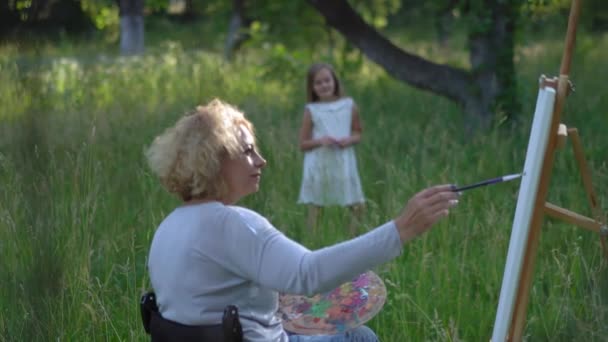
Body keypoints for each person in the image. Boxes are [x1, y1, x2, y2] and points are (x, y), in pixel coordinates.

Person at [144, 99, 459, 342]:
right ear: (216, 159)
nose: (261, 160)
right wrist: (401, 229)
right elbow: (308, 274)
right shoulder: (233, 223)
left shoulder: (169, 226)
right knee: (359, 337)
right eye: (248, 151)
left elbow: (210, 297)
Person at [297, 63, 365, 235]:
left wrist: (348, 140)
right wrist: (321, 141)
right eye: (318, 83)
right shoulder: (311, 110)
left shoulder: (349, 105)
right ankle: (312, 244)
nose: (324, 85)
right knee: (317, 207)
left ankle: (352, 240)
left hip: (343, 162)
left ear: (334, 81)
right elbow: (303, 144)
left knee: (356, 205)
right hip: (320, 163)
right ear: (312, 87)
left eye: (327, 80)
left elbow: (358, 132)